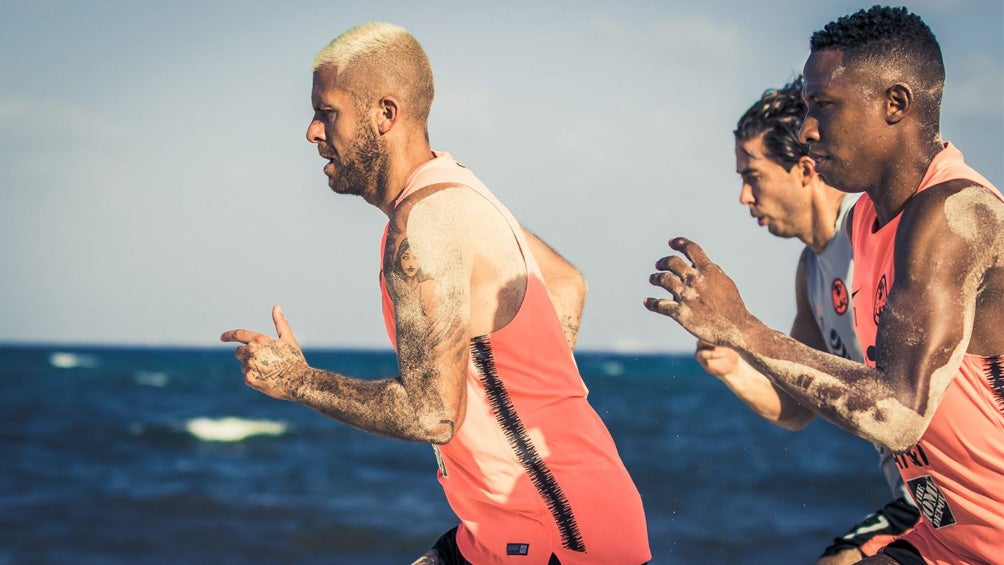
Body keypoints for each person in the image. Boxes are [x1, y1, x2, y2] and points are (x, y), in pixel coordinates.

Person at [220, 22, 650, 564]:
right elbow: (566, 284)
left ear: (385, 114)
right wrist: (520, 404)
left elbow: (432, 414)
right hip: (508, 526)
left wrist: (297, 381)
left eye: (326, 112)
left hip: (559, 536)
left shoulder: (426, 223)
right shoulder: (458, 190)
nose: (311, 131)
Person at [645, 6, 1003, 564]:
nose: (808, 128)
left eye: (823, 106)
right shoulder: (860, 225)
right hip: (945, 537)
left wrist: (741, 326)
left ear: (895, 105)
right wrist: (737, 349)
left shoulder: (957, 213)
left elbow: (900, 416)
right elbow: (799, 404)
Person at [696, 76, 918, 564]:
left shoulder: (875, 228)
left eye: (752, 175)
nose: (743, 197)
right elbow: (796, 407)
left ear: (803, 169)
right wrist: (733, 363)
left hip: (973, 483)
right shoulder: (812, 270)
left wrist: (742, 328)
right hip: (921, 498)